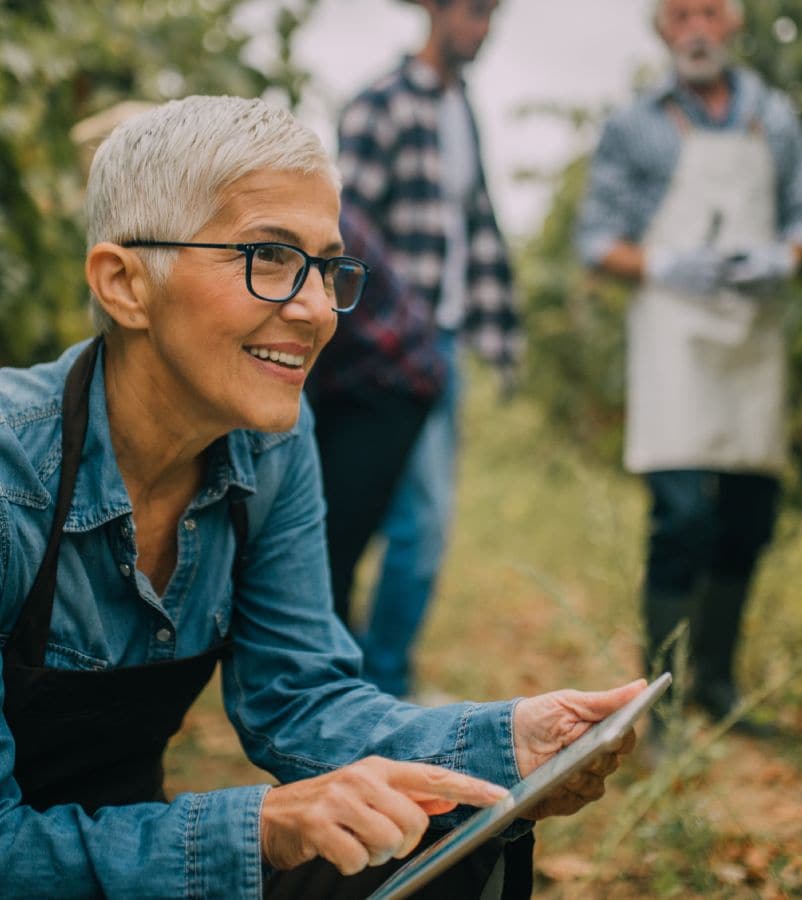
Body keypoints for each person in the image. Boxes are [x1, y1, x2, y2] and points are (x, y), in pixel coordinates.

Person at [0, 95, 645, 899]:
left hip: (113, 867)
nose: (316, 309)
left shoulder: (274, 444)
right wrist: (262, 828)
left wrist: (510, 743)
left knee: (445, 829)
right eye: (270, 258)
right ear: (125, 283)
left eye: (327, 267)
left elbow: (298, 698)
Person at [575, 0, 802, 728]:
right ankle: (656, 703)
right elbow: (597, 239)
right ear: (661, 29)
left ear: (734, 22)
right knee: (681, 514)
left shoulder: (774, 118)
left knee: (748, 514)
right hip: (675, 337)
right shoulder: (635, 126)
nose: (696, 27)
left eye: (709, 12)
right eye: (679, 14)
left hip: (752, 338)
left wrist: (785, 256)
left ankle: (716, 685)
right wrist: (664, 264)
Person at [336, 0, 521, 699]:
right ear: (437, 10)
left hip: (443, 345)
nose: (484, 28)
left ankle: (370, 676)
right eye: (475, 12)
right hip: (385, 355)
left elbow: (476, 229)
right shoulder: (376, 106)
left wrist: (499, 334)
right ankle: (376, 683)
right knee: (407, 520)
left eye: (493, 16)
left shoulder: (463, 112)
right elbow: (346, 233)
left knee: (415, 522)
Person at [307, 203, 446, 627]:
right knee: (320, 546)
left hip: (391, 381)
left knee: (330, 551)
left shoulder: (316, 217)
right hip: (342, 378)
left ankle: (332, 680)